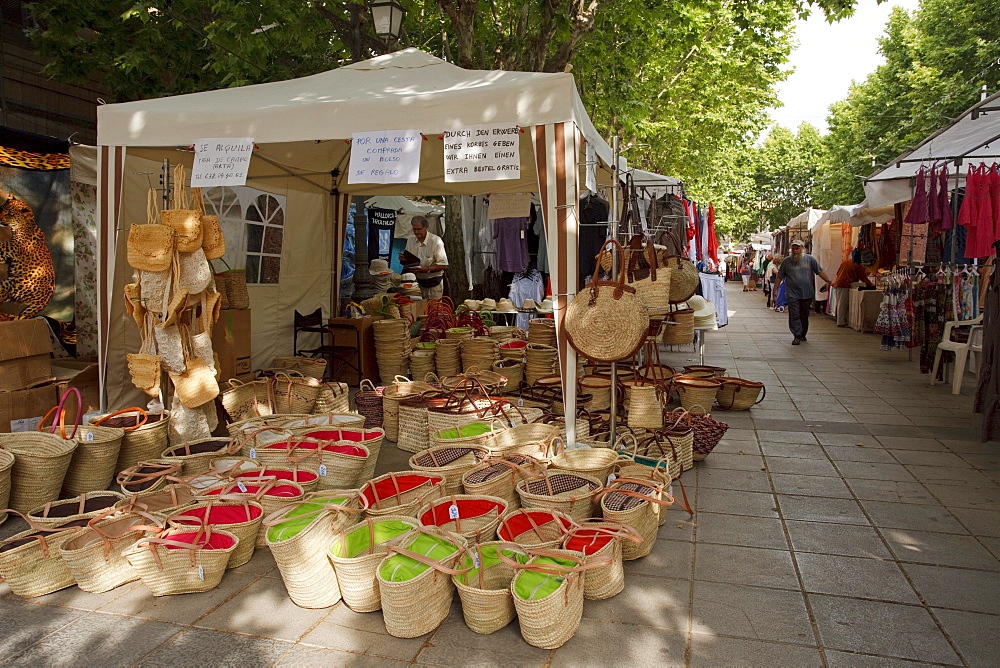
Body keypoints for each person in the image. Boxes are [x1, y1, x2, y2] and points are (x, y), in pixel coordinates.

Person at [774, 239, 832, 345]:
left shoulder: (810, 260)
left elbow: (819, 271)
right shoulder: (786, 262)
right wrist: (775, 290)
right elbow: (779, 277)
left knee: (804, 314)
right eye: (794, 248)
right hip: (792, 293)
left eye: (798, 248)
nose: (795, 251)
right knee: (794, 314)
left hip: (807, 292)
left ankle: (803, 334)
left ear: (802, 249)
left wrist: (828, 281)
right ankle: (796, 335)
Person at [401, 215, 449, 300]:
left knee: (433, 310)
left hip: (434, 284)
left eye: (419, 229)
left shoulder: (436, 241)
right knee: (418, 310)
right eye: (414, 229)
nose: (416, 232)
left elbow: (444, 265)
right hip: (417, 284)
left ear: (426, 227)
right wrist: (403, 259)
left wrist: (426, 269)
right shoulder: (410, 240)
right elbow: (409, 261)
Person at [832, 255, 874, 327]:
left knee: (840, 303)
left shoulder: (846, 261)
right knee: (843, 304)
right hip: (845, 284)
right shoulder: (858, 265)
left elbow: (838, 272)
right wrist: (871, 285)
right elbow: (863, 277)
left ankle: (841, 320)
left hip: (839, 283)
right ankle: (840, 322)